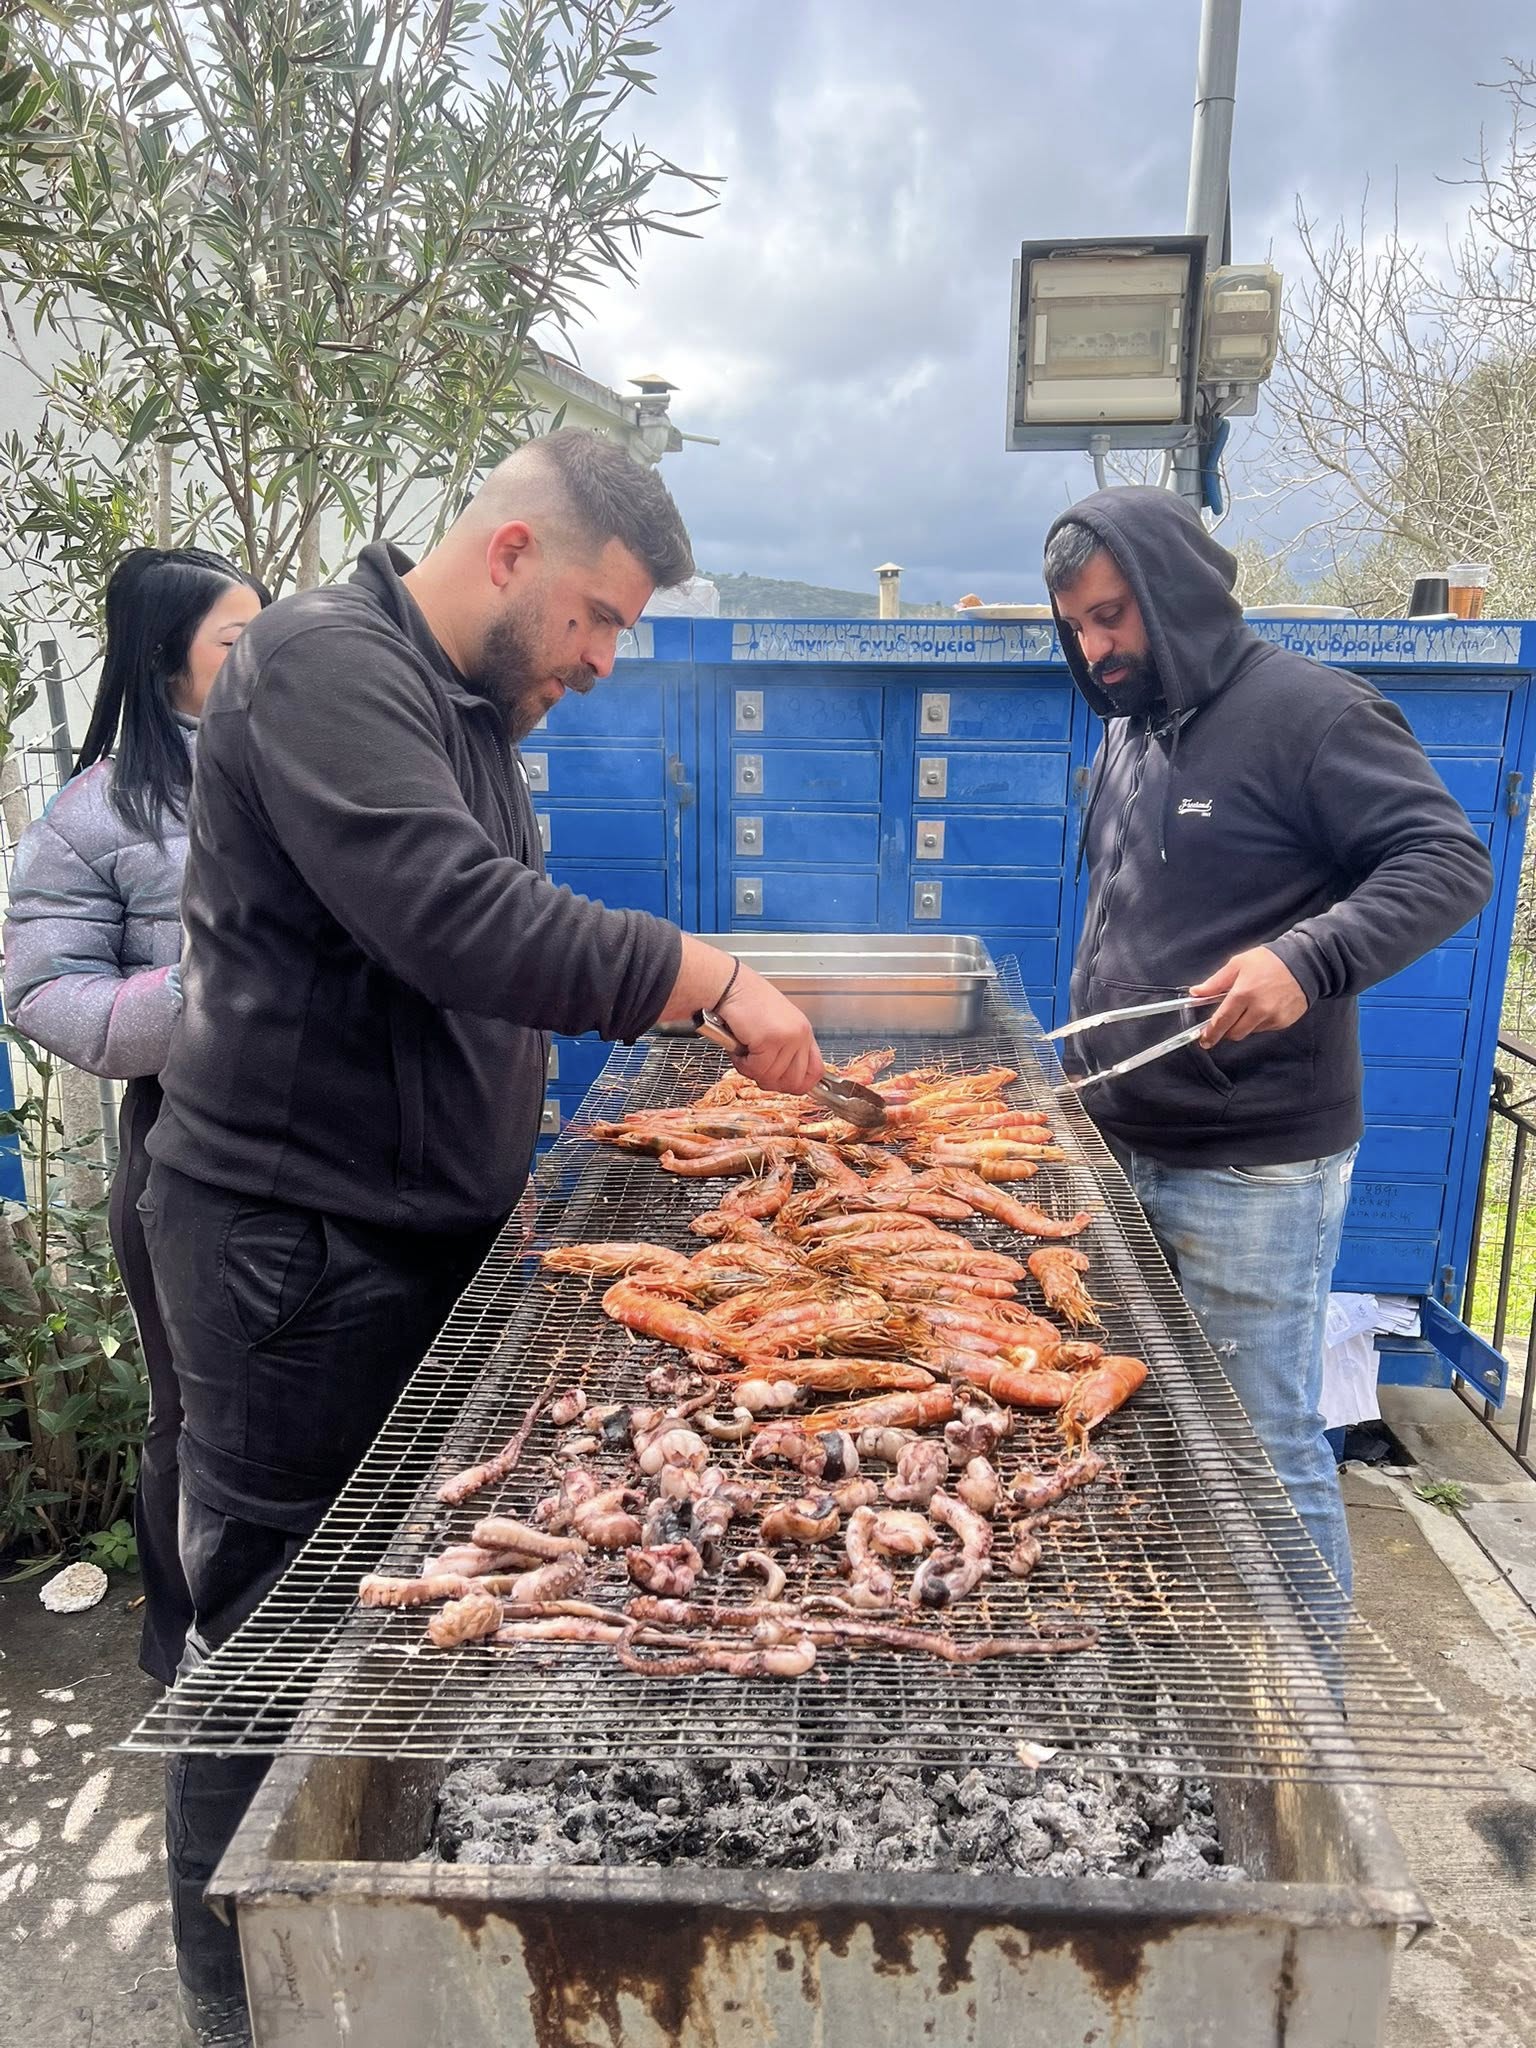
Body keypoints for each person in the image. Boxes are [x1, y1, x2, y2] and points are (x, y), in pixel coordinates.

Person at [140, 428, 823, 2046]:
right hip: (293, 1259)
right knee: (273, 1629)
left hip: (413, 1236)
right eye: (599, 618)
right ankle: (235, 2001)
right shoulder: (321, 664)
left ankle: (374, 1922)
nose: (604, 660)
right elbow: (454, 915)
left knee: (404, 1597)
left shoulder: (467, 714)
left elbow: (472, 968)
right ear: (513, 551)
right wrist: (708, 977)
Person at [1042, 487, 1493, 1600]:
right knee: (1146, 1416)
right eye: (1078, 626)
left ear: (1175, 593)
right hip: (1121, 1139)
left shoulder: (1313, 713)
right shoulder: (1131, 729)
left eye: (1112, 616)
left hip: (1249, 1168)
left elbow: (1447, 861)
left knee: (1259, 1443)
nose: (1095, 649)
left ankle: (1305, 1702)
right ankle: (1187, 1639)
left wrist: (1306, 959)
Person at [2, 546, 269, 1688]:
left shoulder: (305, 767)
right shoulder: (96, 811)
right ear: (167, 659)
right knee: (192, 1414)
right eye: (237, 643)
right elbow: (42, 992)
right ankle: (186, 1651)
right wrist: (209, 993)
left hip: (334, 1137)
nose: (263, 663)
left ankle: (308, 1641)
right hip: (184, 1141)